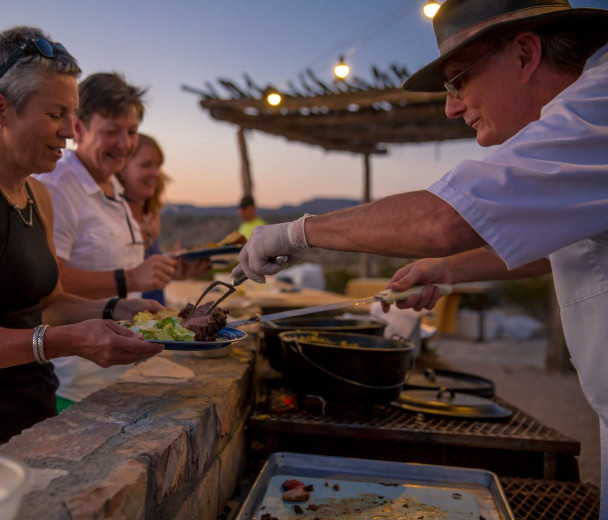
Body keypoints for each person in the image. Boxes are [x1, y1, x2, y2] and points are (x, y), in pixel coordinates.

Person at [231, 0, 608, 511]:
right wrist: (451, 269)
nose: (452, 106)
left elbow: (442, 220)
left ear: (524, 53)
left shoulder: (598, 104)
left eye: (459, 80)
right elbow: (559, 244)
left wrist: (299, 233)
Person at [0, 26, 162, 450]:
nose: (71, 132)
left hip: (30, 423)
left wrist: (118, 307)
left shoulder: (38, 193)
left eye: (71, 116)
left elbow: (50, 303)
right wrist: (62, 342)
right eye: (56, 115)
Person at [34, 73, 177, 407]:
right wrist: (129, 279)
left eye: (131, 132)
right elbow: (45, 286)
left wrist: (163, 270)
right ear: (79, 128)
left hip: (120, 372)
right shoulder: (57, 186)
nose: (125, 144)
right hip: (73, 382)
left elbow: (122, 265)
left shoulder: (112, 184)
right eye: (112, 131)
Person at [117, 133, 171, 305]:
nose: (156, 173)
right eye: (146, 165)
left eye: (158, 166)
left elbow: (150, 276)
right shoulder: (109, 217)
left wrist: (174, 267)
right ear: (122, 168)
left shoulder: (152, 215)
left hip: (153, 320)